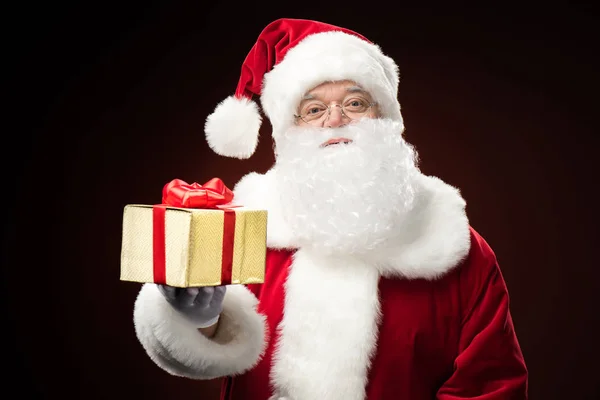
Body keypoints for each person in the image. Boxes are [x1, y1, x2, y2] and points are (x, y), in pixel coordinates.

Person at [131, 18, 529, 400]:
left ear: (387, 119)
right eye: (314, 109)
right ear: (289, 131)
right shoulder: (244, 227)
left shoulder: (454, 248)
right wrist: (198, 322)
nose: (336, 120)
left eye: (356, 103)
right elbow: (189, 354)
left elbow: (489, 386)